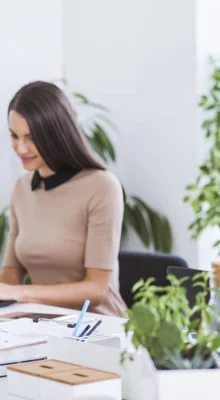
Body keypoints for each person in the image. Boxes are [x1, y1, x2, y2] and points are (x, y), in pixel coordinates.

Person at [0, 81, 127, 317]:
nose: (20, 148)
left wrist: (21, 294)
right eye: (14, 136)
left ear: (56, 134)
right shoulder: (21, 188)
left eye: (31, 137)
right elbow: (10, 275)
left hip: (96, 328)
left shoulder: (102, 186)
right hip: (36, 327)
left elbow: (96, 289)